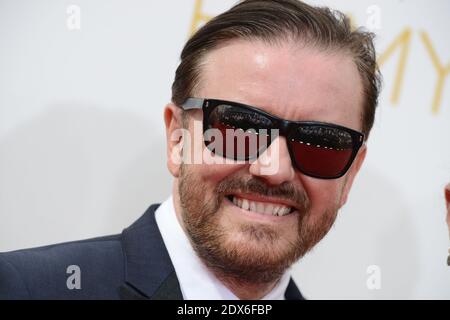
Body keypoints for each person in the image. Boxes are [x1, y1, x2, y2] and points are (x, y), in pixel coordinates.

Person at [0, 0, 381, 299]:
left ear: (351, 175)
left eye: (320, 143)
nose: (275, 169)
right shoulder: (24, 289)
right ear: (176, 138)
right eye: (240, 126)